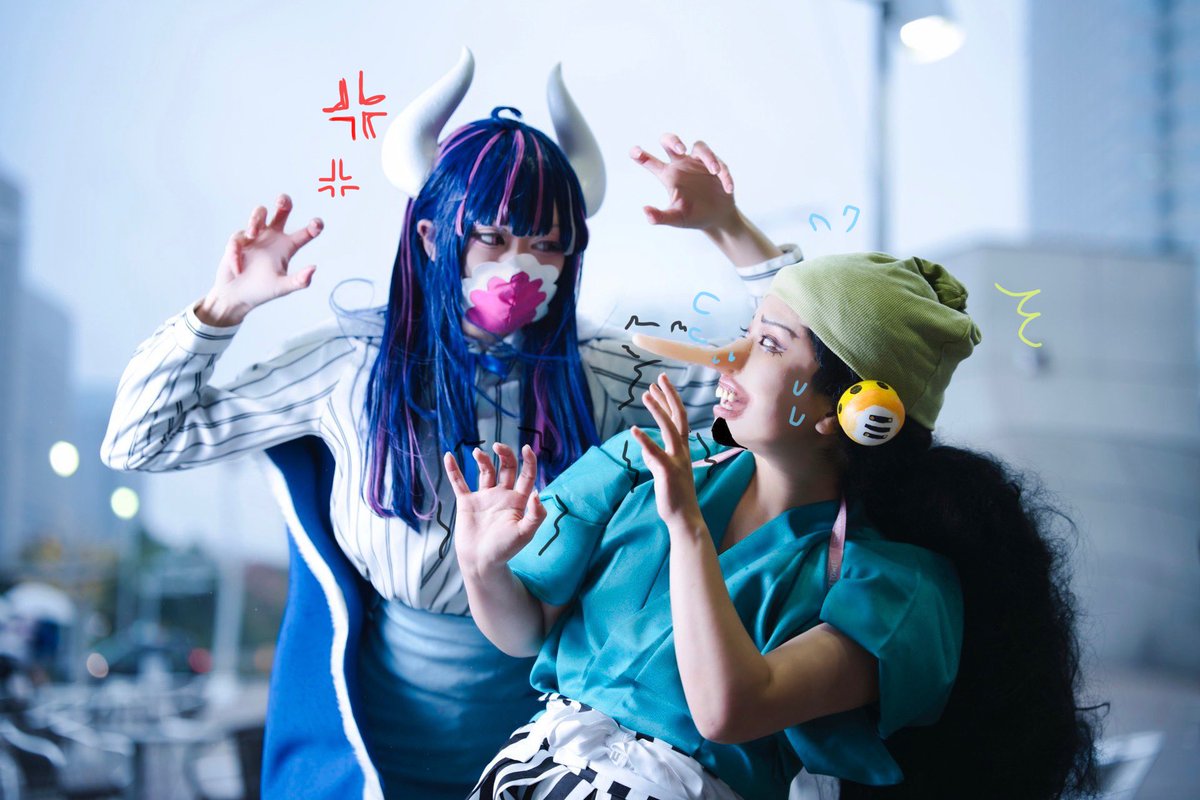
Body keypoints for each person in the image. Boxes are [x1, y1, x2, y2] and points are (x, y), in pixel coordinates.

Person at [100, 49, 800, 800]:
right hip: (375, 752)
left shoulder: (603, 369)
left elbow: (806, 377)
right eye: (492, 236)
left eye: (547, 243)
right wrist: (220, 310)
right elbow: (141, 439)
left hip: (556, 748)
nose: (520, 265)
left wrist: (732, 230)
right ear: (433, 237)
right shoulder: (350, 365)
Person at [446, 252, 1101, 799]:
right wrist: (483, 568)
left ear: (852, 409)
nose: (726, 358)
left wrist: (688, 530)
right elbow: (524, 632)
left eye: (768, 344)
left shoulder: (891, 590)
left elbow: (728, 710)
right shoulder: (638, 468)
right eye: (747, 331)